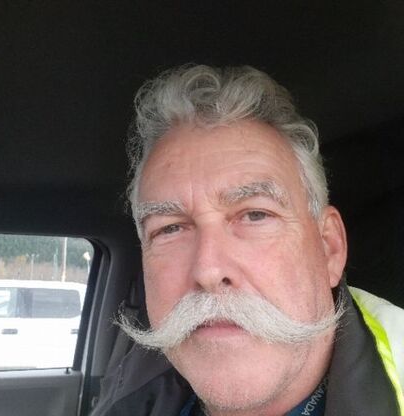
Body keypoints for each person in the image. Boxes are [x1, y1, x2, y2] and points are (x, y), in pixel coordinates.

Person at [93, 65, 404, 415]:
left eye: (255, 215)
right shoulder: (126, 394)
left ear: (329, 248)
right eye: (170, 228)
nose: (208, 270)